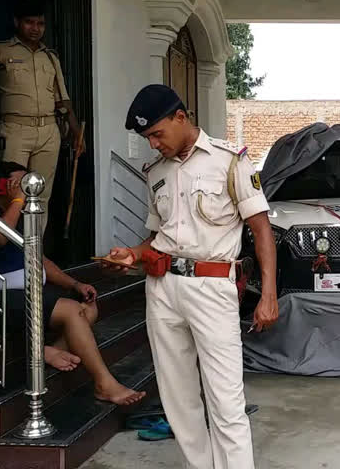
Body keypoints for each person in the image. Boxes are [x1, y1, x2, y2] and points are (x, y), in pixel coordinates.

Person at [104, 84, 278, 469]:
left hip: (212, 287)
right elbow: (156, 238)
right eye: (147, 138)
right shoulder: (156, 173)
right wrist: (132, 254)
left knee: (226, 400)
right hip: (163, 288)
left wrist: (269, 294)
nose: (153, 144)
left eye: (157, 134)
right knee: (179, 399)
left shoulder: (229, 161)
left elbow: (261, 229)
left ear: (181, 117)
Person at [0, 162, 145, 405]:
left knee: (88, 305)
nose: (26, 189)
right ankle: (104, 384)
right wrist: (17, 202)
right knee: (71, 311)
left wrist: (75, 284)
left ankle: (46, 351)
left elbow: (39, 259)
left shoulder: (19, 215)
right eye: (21, 183)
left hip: (26, 292)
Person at [0, 0, 84, 234]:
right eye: (29, 22)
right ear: (17, 22)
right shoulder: (0, 52)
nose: (35, 28)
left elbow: (62, 99)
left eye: (40, 24)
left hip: (48, 131)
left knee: (41, 196)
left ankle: (34, 253)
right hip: (15, 130)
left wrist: (77, 133)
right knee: (12, 193)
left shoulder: (51, 57)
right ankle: (11, 252)